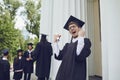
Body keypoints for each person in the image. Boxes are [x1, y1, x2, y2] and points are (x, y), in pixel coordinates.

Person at [54, 15, 91, 80]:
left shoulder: (86, 42)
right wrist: (55, 43)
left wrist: (81, 37)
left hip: (76, 76)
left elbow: (79, 56)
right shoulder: (67, 45)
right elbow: (58, 56)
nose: (71, 29)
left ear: (79, 28)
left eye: (74, 26)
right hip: (64, 75)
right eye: (70, 28)